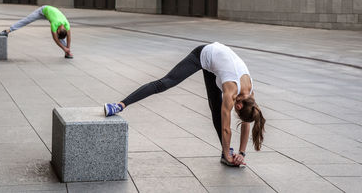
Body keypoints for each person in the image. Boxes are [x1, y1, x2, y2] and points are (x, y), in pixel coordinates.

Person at [104, 42, 265, 166]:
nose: (236, 114)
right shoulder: (231, 90)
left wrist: (241, 153)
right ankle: (120, 104)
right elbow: (226, 128)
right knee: (165, 83)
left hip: (218, 65)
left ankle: (225, 153)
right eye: (237, 113)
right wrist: (231, 155)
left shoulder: (250, 97)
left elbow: (248, 121)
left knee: (216, 110)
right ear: (238, 106)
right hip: (204, 54)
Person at [0, 5, 73, 58]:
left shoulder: (67, 25)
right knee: (27, 20)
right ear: (58, 30)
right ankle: (7, 31)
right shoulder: (54, 24)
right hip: (43, 10)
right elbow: (55, 39)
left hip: (52, 14)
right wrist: (64, 48)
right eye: (57, 32)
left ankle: (67, 53)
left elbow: (69, 37)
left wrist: (68, 48)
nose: (56, 33)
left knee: (61, 38)